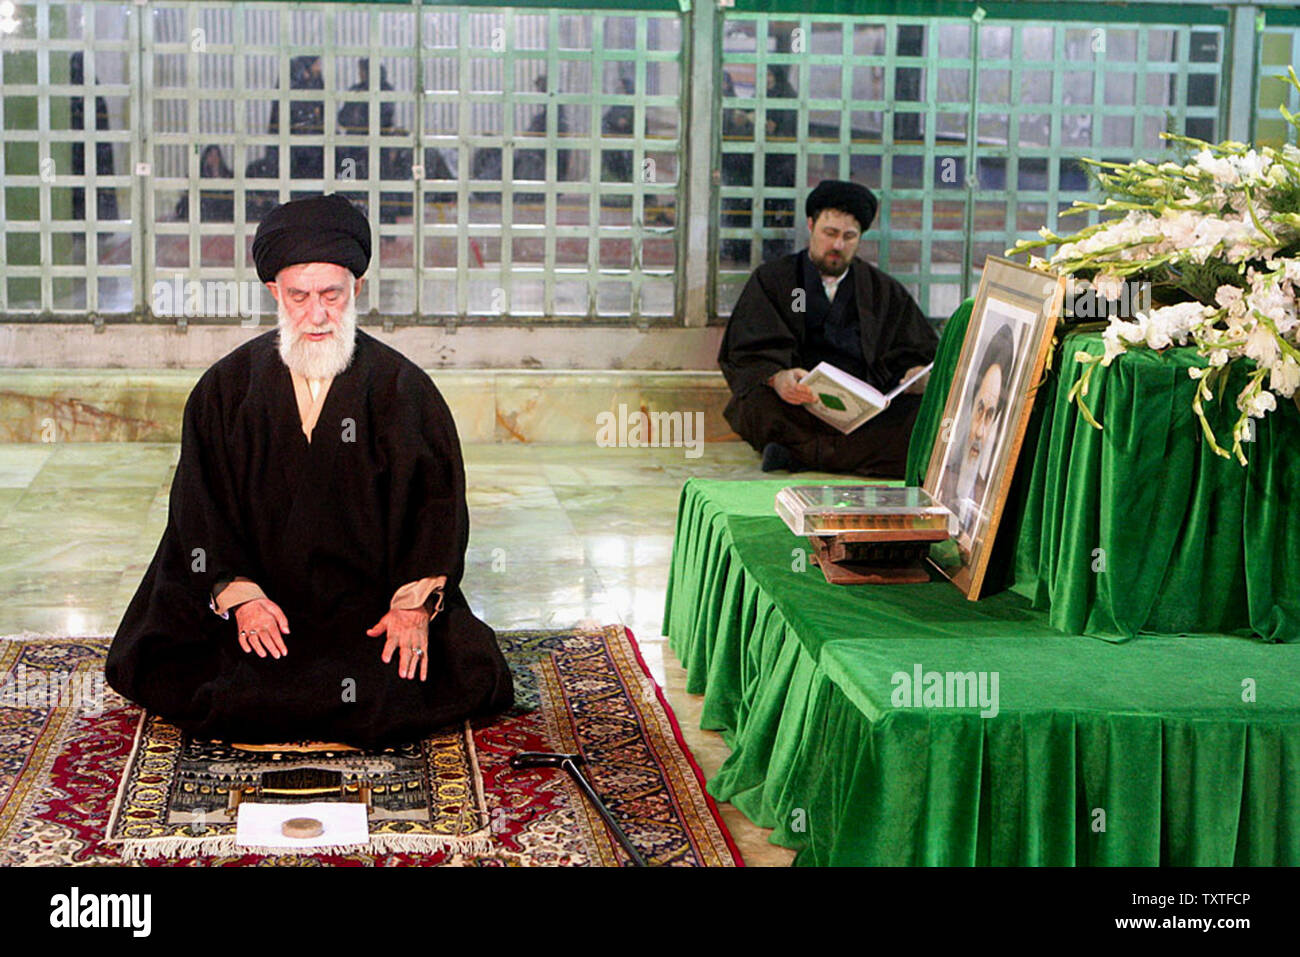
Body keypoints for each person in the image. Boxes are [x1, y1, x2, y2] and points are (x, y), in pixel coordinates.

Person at [106, 193, 513, 748]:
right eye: (299, 296)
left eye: (332, 295)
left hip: (369, 612)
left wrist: (413, 606)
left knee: (436, 676)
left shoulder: (404, 389)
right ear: (274, 292)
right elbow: (198, 511)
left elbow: (437, 508)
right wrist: (240, 596)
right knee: (201, 675)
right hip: (265, 609)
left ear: (357, 290)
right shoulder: (225, 390)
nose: (317, 315)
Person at [717, 180, 938, 477]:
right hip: (797, 405)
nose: (837, 245)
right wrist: (778, 378)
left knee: (921, 418)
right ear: (811, 225)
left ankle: (797, 455)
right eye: (830, 233)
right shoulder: (776, 279)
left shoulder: (881, 290)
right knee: (756, 404)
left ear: (860, 237)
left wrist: (914, 374)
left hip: (863, 413)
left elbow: (916, 352)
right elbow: (747, 350)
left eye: (849, 236)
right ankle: (849, 456)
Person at [938, 323, 1016, 539]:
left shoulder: (987, 497)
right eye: (979, 410)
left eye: (990, 415)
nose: (980, 431)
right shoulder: (941, 479)